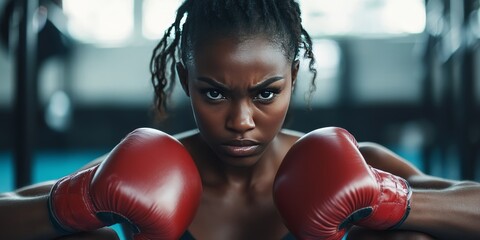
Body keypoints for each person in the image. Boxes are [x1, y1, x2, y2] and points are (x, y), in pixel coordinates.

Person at [1, 0, 480, 239]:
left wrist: (391, 197)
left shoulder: (358, 162)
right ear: (186, 80)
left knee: (411, 233)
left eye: (265, 94)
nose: (241, 120)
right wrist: (76, 203)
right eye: (214, 93)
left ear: (293, 76)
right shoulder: (143, 170)